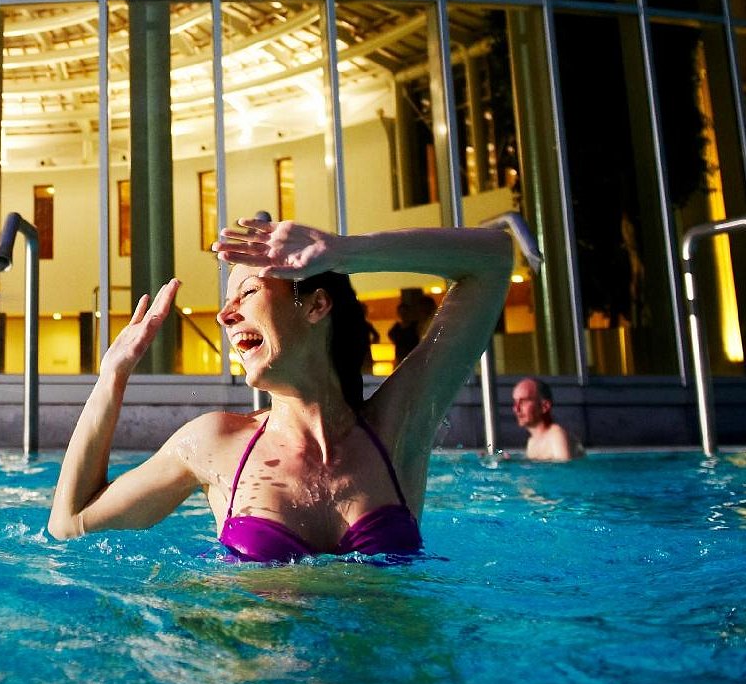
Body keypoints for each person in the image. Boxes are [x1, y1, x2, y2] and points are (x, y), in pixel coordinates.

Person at [48, 218, 513, 562]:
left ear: (317, 305)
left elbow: (492, 259)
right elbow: (71, 524)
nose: (225, 315)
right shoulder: (215, 444)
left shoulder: (397, 428)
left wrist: (342, 252)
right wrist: (112, 377)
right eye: (227, 301)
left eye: (247, 292)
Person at [512, 376, 583, 461]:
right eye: (515, 401)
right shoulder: (532, 442)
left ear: (544, 406)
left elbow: (566, 471)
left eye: (524, 401)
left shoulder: (556, 436)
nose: (516, 408)